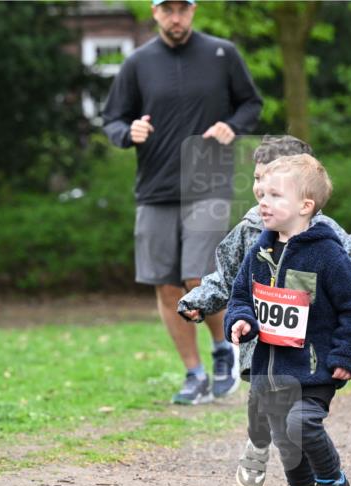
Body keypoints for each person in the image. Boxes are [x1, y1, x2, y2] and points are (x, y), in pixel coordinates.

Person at [178, 137, 351, 486]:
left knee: (296, 418)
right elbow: (228, 278)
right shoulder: (250, 230)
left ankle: (305, 485)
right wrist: (199, 300)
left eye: (272, 183)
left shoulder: (323, 234)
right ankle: (258, 443)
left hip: (306, 348)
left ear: (303, 194)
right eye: (257, 179)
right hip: (261, 345)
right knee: (264, 406)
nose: (260, 190)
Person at [102, 0, 263, 405]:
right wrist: (128, 132)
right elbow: (112, 119)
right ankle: (194, 374)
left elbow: (251, 104)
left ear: (193, 10)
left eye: (183, 9)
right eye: (167, 9)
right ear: (155, 12)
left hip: (207, 182)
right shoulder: (137, 63)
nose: (176, 17)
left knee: (198, 276)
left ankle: (223, 348)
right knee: (166, 285)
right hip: (155, 188)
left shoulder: (222, 53)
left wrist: (233, 126)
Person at [225, 155, 351, 486]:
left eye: (275, 195)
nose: (263, 202)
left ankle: (332, 481)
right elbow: (240, 295)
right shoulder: (260, 252)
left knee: (301, 423)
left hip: (314, 367)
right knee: (284, 435)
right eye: (262, 194)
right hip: (271, 368)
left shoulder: (328, 254)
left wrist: (347, 355)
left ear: (305, 206)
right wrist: (241, 319)